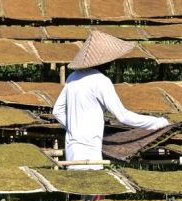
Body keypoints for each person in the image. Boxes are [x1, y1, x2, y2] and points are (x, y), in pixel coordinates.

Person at [53, 30, 170, 170]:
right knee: (94, 189)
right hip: (89, 152)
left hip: (72, 149)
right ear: (104, 60)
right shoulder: (100, 81)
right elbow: (123, 116)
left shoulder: (72, 77)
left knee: (76, 189)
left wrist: (75, 128)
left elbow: (57, 111)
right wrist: (158, 122)